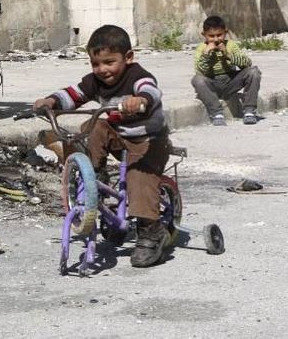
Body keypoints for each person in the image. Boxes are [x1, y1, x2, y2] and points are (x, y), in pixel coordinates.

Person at [34, 25, 170, 268]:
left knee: (139, 177)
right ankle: (93, 173)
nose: (102, 70)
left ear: (128, 58)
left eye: (109, 62)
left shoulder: (137, 76)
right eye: (95, 64)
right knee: (92, 126)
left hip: (148, 141)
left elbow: (151, 90)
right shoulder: (95, 81)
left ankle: (151, 231)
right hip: (119, 135)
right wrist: (51, 101)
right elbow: (74, 94)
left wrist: (140, 100)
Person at [192, 15, 262, 126]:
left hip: (230, 82)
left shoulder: (231, 45)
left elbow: (246, 63)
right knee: (197, 80)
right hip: (212, 83)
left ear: (225, 33)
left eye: (219, 35)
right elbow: (201, 70)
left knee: (253, 72)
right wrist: (206, 54)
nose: (215, 39)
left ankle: (249, 111)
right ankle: (216, 113)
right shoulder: (201, 48)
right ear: (204, 35)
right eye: (211, 36)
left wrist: (228, 55)